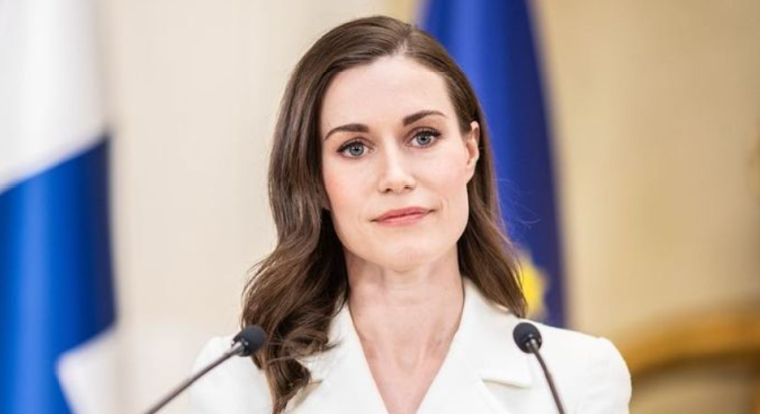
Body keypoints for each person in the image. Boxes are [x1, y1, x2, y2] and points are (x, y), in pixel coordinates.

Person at [189, 15, 631, 414]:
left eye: (423, 137)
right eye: (354, 148)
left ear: (470, 150)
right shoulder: (237, 381)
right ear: (315, 180)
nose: (395, 177)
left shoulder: (577, 378)